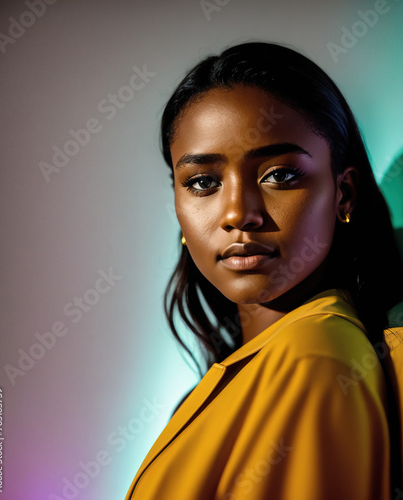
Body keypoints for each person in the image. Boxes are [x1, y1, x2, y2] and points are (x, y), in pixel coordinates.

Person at [124, 42, 403, 499]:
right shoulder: (260, 364)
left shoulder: (312, 358)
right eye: (203, 183)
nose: (238, 213)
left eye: (280, 175)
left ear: (343, 194)